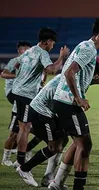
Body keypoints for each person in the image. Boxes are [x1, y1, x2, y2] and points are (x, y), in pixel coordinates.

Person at [51, 18, 99, 190]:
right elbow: (69, 73)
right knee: (85, 145)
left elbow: (76, 76)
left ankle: (57, 183)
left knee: (78, 142)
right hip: (68, 102)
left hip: (64, 100)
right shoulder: (89, 48)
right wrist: (79, 98)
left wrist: (96, 82)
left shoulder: (86, 47)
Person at [11, 28, 69, 167]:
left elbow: (16, 63)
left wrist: (24, 76)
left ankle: (23, 153)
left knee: (29, 126)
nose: (53, 46)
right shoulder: (42, 53)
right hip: (26, 94)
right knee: (25, 127)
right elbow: (52, 69)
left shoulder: (30, 50)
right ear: (48, 41)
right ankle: (20, 162)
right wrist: (62, 57)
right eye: (53, 43)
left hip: (20, 91)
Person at [1, 41, 31, 166]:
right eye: (26, 51)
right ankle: (6, 157)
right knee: (16, 130)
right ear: (20, 51)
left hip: (24, 95)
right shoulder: (15, 61)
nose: (29, 53)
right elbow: (3, 74)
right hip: (12, 92)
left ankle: (22, 151)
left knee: (26, 127)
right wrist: (18, 77)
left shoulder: (30, 62)